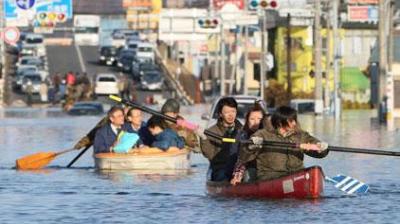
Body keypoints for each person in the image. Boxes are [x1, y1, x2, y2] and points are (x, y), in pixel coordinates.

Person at [230, 106, 329, 185]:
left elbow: (319, 151)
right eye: (291, 121)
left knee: (315, 169)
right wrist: (251, 146)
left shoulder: (301, 135)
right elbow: (244, 156)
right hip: (270, 178)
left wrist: (322, 148)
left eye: (294, 120)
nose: (294, 123)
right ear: (280, 122)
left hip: (296, 175)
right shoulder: (263, 134)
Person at [200, 97, 243, 182]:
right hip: (220, 168)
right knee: (222, 176)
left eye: (233, 111)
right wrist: (203, 138)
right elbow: (209, 155)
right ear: (220, 114)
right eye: (227, 112)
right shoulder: (211, 132)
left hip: (238, 168)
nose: (231, 115)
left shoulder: (242, 130)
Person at [234, 103, 266, 182]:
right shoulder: (242, 136)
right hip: (251, 168)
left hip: (268, 169)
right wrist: (237, 175)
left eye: (259, 119)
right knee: (249, 174)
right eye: (252, 119)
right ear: (247, 121)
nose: (256, 122)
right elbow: (241, 159)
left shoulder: (270, 134)